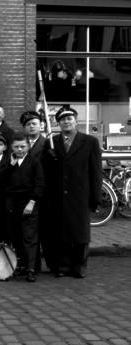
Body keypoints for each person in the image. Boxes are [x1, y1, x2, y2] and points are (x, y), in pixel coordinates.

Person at [41, 106, 102, 278]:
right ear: (58, 123)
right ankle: (63, 265)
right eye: (62, 120)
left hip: (80, 194)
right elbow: (45, 169)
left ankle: (79, 266)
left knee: (80, 232)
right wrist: (48, 157)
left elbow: (96, 171)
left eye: (69, 119)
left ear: (76, 121)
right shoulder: (51, 142)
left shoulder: (89, 142)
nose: (66, 122)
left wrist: (95, 197)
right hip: (58, 195)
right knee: (60, 232)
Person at [4, 134, 44, 282]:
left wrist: (32, 202)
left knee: (29, 236)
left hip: (28, 202)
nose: (20, 150)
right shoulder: (9, 162)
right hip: (12, 204)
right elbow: (1, 181)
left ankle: (31, 269)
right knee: (16, 235)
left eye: (22, 146)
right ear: (11, 148)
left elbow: (39, 184)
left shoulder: (34, 162)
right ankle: (21, 265)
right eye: (16, 147)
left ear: (28, 147)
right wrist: (10, 166)